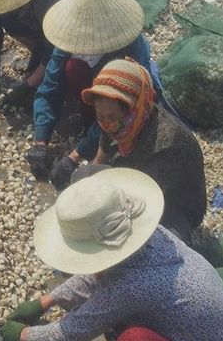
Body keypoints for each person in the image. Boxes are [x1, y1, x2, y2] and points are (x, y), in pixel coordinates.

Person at [0, 169, 223, 341]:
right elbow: (97, 275)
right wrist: (47, 301)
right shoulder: (156, 235)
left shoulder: (128, 286)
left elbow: (70, 332)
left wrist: (24, 335)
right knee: (118, 316)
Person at [25, 0, 164, 182]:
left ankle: (95, 124)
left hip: (126, 96)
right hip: (94, 83)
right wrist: (40, 140)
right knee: (72, 69)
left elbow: (115, 113)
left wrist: (76, 155)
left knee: (121, 126)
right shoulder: (69, 38)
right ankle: (90, 115)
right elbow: (50, 86)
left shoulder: (128, 48)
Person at [76, 57, 206, 242]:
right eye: (100, 116)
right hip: (134, 174)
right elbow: (101, 157)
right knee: (83, 178)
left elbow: (141, 201)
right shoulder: (114, 121)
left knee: (156, 243)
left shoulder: (167, 143)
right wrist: (87, 186)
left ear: (134, 109)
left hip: (172, 203)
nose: (106, 124)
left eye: (111, 118)